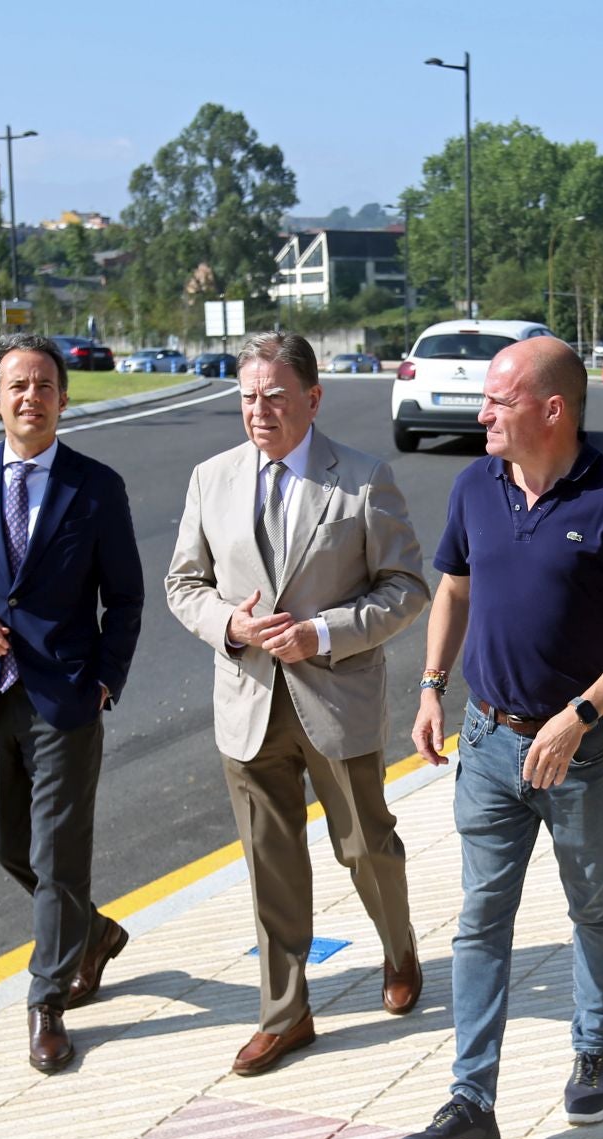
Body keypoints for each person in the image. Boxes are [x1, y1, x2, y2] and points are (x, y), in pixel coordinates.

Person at [395, 337, 603, 1139]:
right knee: (481, 918)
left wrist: (580, 714)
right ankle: (470, 1098)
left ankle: (595, 1047)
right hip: (485, 741)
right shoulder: (474, 485)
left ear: (551, 410)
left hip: (577, 751)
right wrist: (431, 684)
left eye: (497, 401)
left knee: (591, 900)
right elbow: (453, 587)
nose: (480, 414)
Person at [166, 332, 430, 1077]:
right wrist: (231, 625)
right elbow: (183, 585)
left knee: (364, 846)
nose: (260, 411)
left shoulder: (363, 480)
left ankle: (399, 947)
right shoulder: (210, 479)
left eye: (276, 397)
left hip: (335, 696)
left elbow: (406, 589)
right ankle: (286, 1013)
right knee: (270, 862)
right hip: (248, 703)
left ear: (313, 399)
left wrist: (321, 632)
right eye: (248, 397)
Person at [0, 332, 144, 1074]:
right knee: (6, 846)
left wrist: (106, 677)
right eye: (17, 385)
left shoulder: (96, 485)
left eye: (44, 385)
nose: (31, 397)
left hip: (65, 700)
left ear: (63, 398)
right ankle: (94, 932)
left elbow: (128, 597)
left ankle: (46, 1001)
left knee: (58, 856)